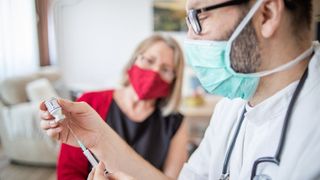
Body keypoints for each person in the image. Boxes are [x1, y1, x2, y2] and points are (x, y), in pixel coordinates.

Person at [40, 0, 320, 179]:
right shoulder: (230, 107)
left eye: (199, 16)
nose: (189, 38)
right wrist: (99, 137)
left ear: (266, 14)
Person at [56, 34, 188, 179]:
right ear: (134, 60)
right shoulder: (90, 103)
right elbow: (68, 173)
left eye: (165, 69)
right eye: (149, 60)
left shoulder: (176, 123)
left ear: (174, 80)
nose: (155, 72)